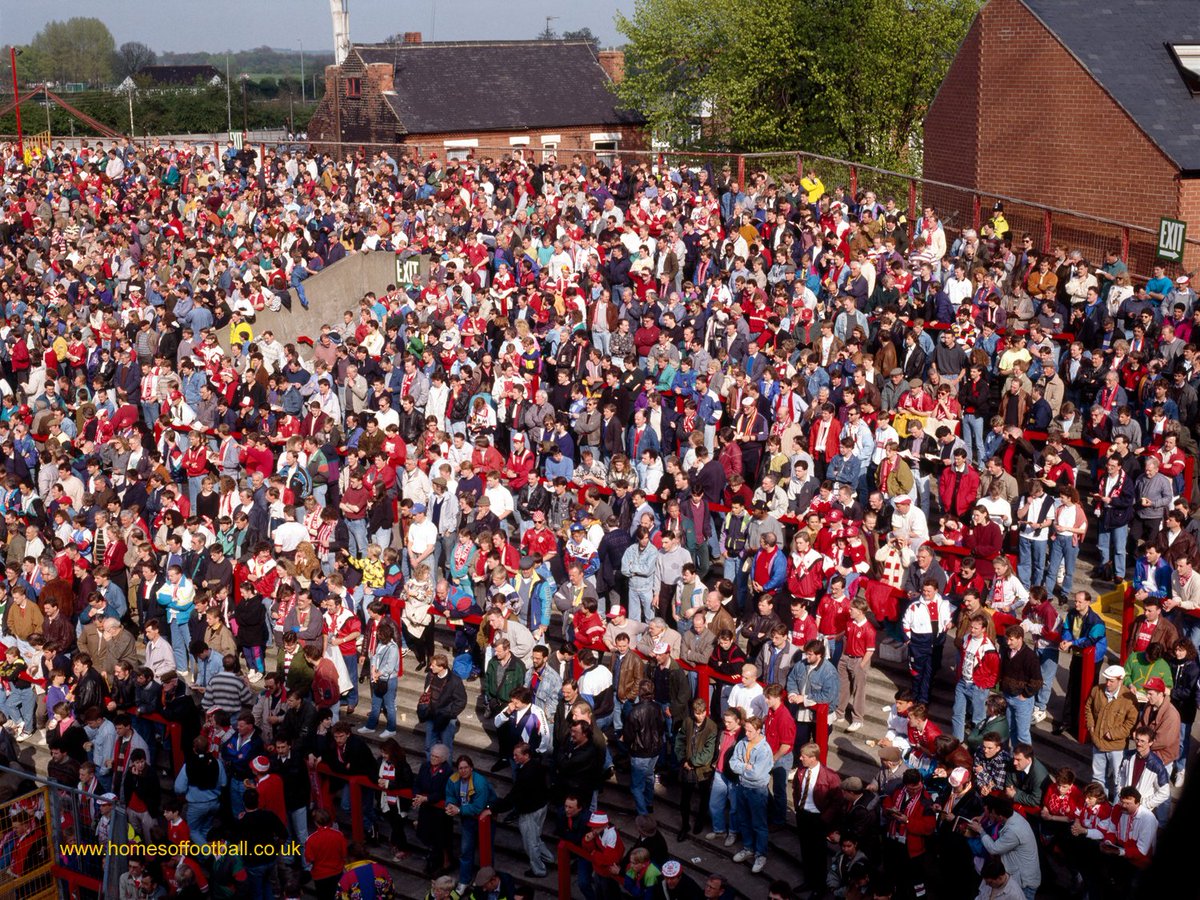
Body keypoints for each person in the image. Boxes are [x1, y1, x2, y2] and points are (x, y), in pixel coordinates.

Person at [728, 715, 772, 874]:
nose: (746, 734)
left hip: (757, 790)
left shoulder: (764, 749)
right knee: (744, 820)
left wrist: (743, 768)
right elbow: (732, 764)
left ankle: (761, 854)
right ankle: (748, 848)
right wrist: (745, 767)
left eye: (750, 731)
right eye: (746, 730)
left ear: (759, 730)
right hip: (742, 787)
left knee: (759, 824)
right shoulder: (742, 743)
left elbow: (756, 774)